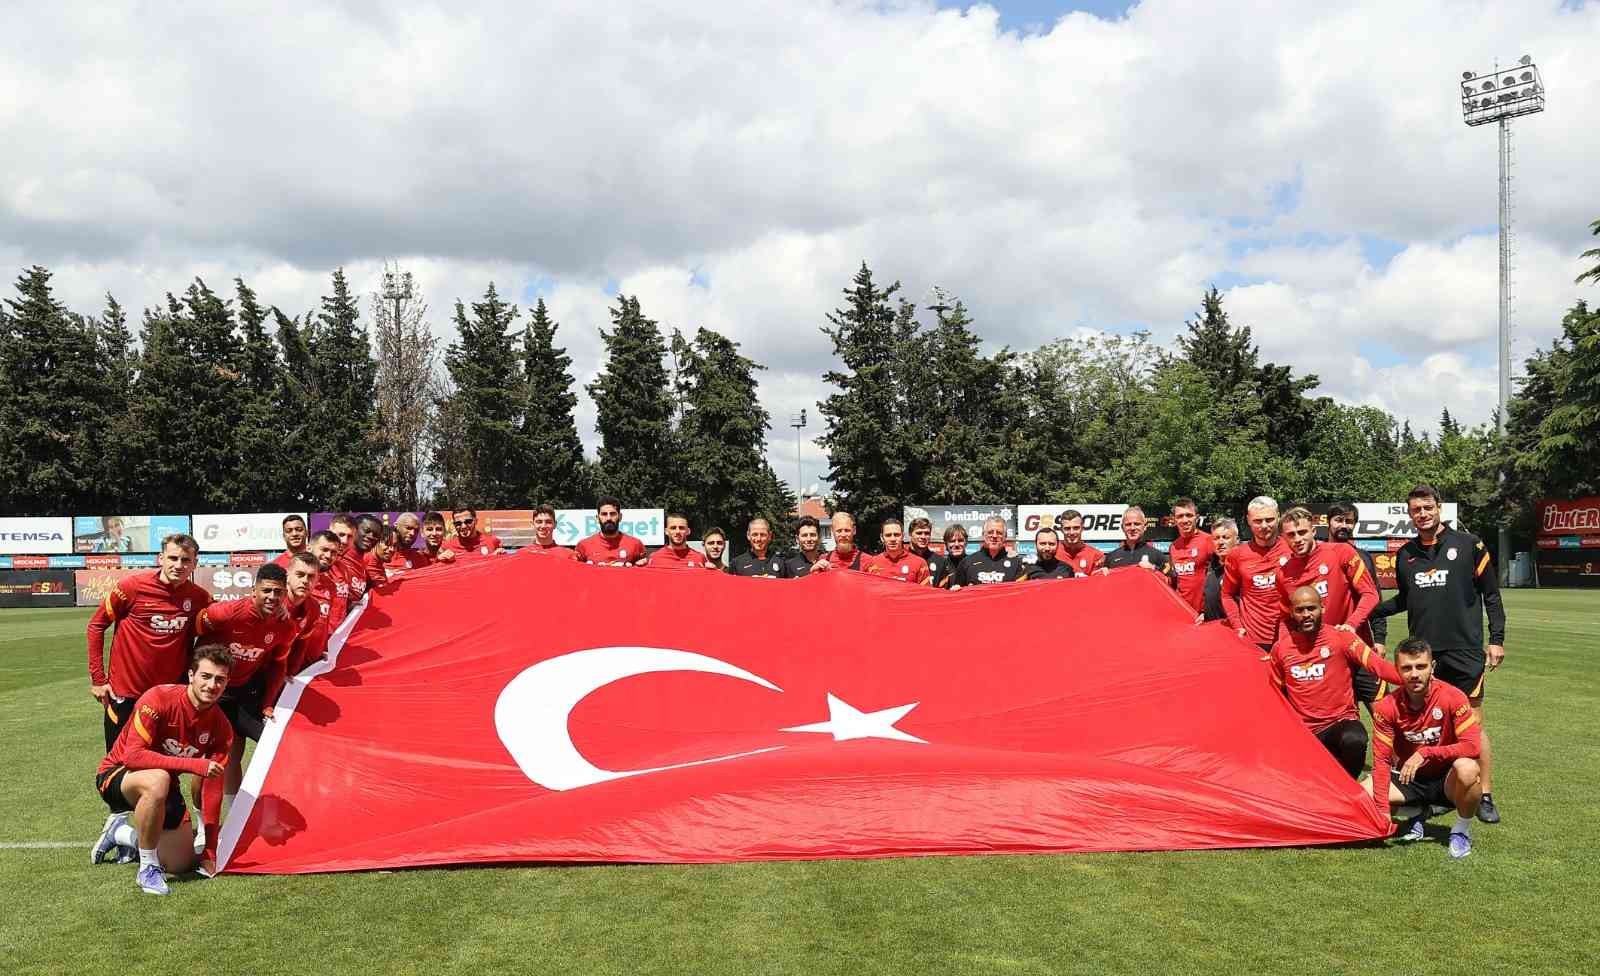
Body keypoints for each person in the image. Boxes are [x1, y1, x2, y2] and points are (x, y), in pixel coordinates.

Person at [1373, 484, 1506, 824]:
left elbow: (1491, 594)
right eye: (1416, 509)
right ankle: (1433, 790)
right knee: (1422, 723)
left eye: (1427, 507)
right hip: (1425, 655)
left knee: (1473, 723)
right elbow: (1406, 599)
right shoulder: (1406, 554)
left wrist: (1496, 639)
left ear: (1439, 508)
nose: (1423, 514)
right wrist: (1370, 610)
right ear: (1410, 514)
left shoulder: (1469, 544)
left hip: (1463, 649)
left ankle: (1485, 793)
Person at [91, 644, 233, 892]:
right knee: (158, 779)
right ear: (191, 676)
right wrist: (193, 764)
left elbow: (213, 787)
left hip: (165, 787)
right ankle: (147, 869)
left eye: (220, 679)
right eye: (206, 676)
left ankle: (122, 834)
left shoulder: (221, 727)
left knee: (180, 863)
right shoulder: (158, 699)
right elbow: (133, 756)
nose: (212, 685)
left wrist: (210, 850)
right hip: (117, 774)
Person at [87, 534, 212, 751]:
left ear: (195, 563)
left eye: (186, 560)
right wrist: (98, 679)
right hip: (125, 693)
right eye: (173, 558)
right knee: (119, 764)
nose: (178, 565)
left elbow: (225, 620)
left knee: (164, 763)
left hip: (169, 696)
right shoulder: (131, 587)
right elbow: (96, 625)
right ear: (160, 558)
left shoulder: (199, 597)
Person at [191, 563, 293, 826]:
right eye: (267, 590)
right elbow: (194, 628)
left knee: (268, 745)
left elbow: (279, 664)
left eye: (278, 592)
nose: (272, 597)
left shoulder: (283, 624)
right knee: (210, 760)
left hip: (246, 693)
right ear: (254, 590)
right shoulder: (228, 612)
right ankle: (203, 822)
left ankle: (239, 814)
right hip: (214, 694)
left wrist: (268, 704)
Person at [1363, 637, 1484, 859]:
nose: (1414, 674)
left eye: (1421, 666)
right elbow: (1381, 761)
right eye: (1407, 668)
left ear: (1432, 667)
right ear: (1397, 670)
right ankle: (1417, 811)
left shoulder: (1453, 696)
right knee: (1363, 796)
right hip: (1409, 778)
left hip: (1447, 779)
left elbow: (1473, 746)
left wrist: (1426, 752)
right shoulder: (1386, 707)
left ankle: (1461, 830)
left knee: (1468, 769)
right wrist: (1381, 811)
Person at [1267, 586, 1401, 779]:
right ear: (1291, 612)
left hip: (1339, 723)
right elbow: (1276, 694)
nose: (1306, 614)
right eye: (1300, 610)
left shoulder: (1342, 638)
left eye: (1311, 608)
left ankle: (1348, 786)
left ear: (1322, 608)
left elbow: (1378, 666)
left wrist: (1413, 678)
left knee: (1354, 739)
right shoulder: (1281, 649)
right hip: (1304, 731)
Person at [1274, 505, 1378, 644]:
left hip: (1351, 645)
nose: (1297, 539)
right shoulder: (1283, 573)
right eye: (1291, 534)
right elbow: (1286, 618)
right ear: (1283, 538)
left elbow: (1370, 594)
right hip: (1314, 652)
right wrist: (1283, 647)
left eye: (1302, 532)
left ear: (1313, 531)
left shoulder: (1342, 552)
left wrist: (1351, 625)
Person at [1327, 500, 1389, 710]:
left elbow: (1375, 599)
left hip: (1361, 644)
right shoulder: (1316, 555)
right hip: (1330, 648)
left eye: (1349, 521)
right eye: (1339, 520)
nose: (1344, 525)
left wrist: (1379, 639)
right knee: (1341, 714)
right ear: (1328, 522)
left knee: (1383, 710)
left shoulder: (1362, 557)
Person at [1222, 496, 1291, 650]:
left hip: (1290, 636)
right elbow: (1226, 595)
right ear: (1248, 520)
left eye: (1269, 519)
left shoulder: (1292, 549)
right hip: (1252, 638)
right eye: (1258, 521)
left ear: (1278, 517)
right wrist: (1237, 625)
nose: (1264, 526)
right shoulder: (1237, 555)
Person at [277, 551, 327, 686]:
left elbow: (301, 645)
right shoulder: (273, 601)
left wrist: (291, 674)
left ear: (317, 580)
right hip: (252, 670)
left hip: (279, 672)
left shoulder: (315, 607)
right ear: (287, 575)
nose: (305, 581)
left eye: (311, 577)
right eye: (300, 575)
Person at [1100, 507, 1176, 585]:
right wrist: (1099, 576)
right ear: (1122, 528)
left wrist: (1154, 570)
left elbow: (1172, 583)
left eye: (1137, 524)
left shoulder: (1158, 555)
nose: (1132, 528)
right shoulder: (1111, 557)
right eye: (1128, 524)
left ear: (1145, 526)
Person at [1167, 498, 1215, 612]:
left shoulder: (1209, 540)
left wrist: (1208, 611)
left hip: (1204, 613)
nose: (1185, 520)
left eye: (1189, 515)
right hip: (1182, 611)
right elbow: (1174, 580)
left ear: (1197, 517)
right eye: (1180, 516)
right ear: (1174, 520)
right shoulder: (1173, 547)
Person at [952, 516, 1023, 588]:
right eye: (990, 532)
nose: (994, 536)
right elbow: (956, 594)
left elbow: (1022, 593)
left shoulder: (1016, 563)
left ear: (1005, 536)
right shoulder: (967, 562)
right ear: (983, 534)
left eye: (999, 533)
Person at [576, 497, 648, 566]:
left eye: (612, 514)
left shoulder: (635, 545)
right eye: (604, 514)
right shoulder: (583, 546)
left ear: (620, 517)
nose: (608, 518)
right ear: (597, 518)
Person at [866, 518, 931, 584]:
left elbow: (926, 592)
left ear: (903, 536)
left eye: (897, 535)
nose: (893, 539)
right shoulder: (872, 563)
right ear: (882, 538)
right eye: (888, 535)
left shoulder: (920, 563)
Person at [1202, 518, 1238, 622]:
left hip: (1235, 631)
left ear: (1237, 540)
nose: (1220, 542)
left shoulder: (1243, 567)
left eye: (1225, 537)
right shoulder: (1211, 567)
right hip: (1213, 631)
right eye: (1216, 538)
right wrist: (1205, 615)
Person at [1056, 510, 1105, 576]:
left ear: (1082, 528)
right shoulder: (1053, 552)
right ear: (1061, 530)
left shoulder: (1096, 556)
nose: (1072, 532)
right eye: (1067, 528)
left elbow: (1098, 583)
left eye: (1076, 528)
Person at [907, 517, 948, 581]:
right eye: (919, 533)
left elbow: (943, 590)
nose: (923, 537)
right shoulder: (901, 559)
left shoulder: (940, 562)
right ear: (910, 533)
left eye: (927, 533)